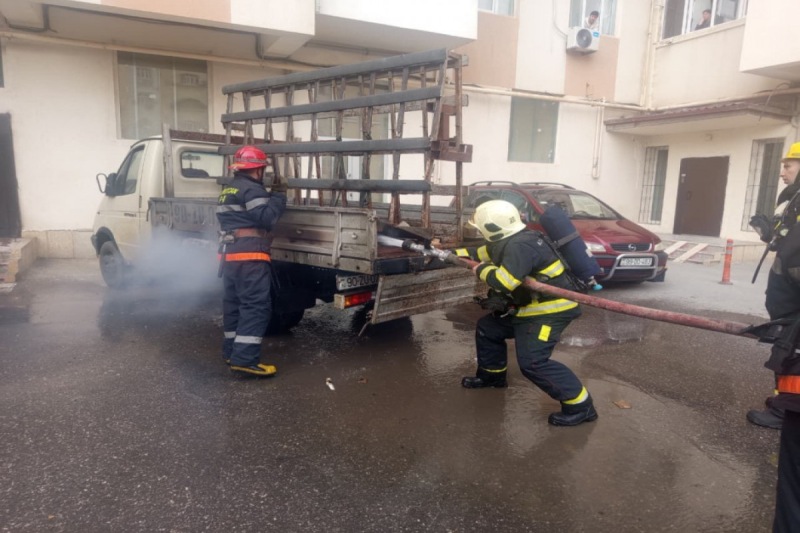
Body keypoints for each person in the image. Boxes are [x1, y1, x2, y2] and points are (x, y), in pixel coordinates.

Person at [455, 200, 597, 426]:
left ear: (493, 228)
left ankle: (581, 406)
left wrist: (480, 268)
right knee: (488, 328)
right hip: (529, 307)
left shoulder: (520, 246)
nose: (479, 231)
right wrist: (449, 255)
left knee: (533, 362)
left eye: (481, 227)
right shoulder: (507, 240)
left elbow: (504, 282)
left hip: (550, 311)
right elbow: (479, 252)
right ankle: (492, 377)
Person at [216, 145, 287, 377]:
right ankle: (245, 361)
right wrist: (278, 196)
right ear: (258, 170)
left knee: (234, 304)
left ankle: (231, 353)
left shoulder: (228, 189)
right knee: (255, 306)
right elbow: (267, 218)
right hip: (250, 256)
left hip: (229, 255)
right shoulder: (252, 189)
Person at [747, 143, 800, 430]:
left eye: (788, 165)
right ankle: (784, 403)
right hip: (786, 298)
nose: (782, 172)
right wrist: (771, 235)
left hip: (794, 302)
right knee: (785, 352)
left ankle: (786, 413)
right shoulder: (792, 198)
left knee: (793, 354)